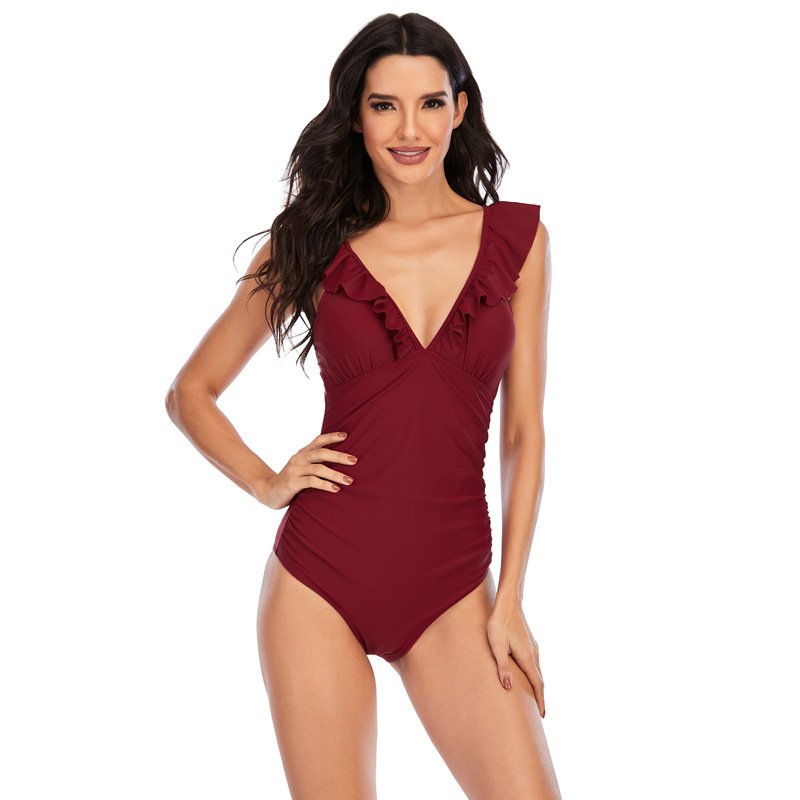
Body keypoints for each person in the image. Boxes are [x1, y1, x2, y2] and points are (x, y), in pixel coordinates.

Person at [166, 12, 559, 800]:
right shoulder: (311, 242)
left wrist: (510, 597)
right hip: (320, 581)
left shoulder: (519, 242)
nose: (409, 129)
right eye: (384, 105)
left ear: (460, 108)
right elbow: (191, 393)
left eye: (430, 104)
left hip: (453, 585)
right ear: (356, 115)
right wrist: (268, 481)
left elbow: (523, 431)